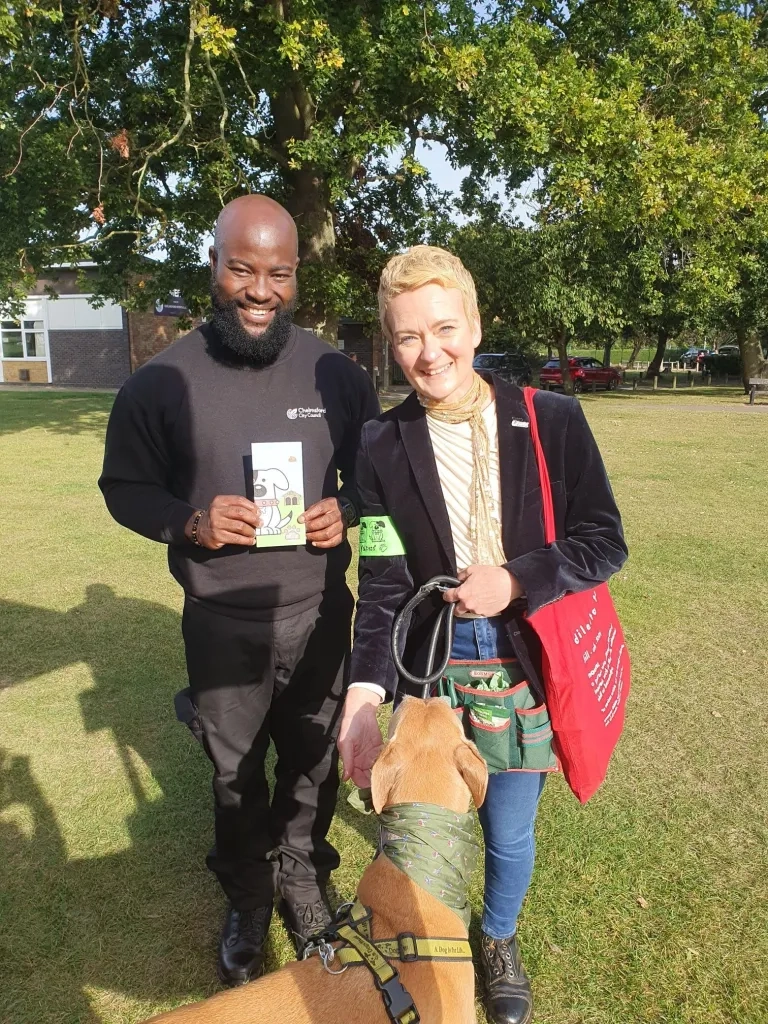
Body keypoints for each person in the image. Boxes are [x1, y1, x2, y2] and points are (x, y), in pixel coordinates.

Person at [337, 246, 627, 1024]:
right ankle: (425, 937)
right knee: (424, 822)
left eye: (444, 328)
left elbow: (605, 541)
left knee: (506, 826)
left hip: (521, 660)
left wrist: (517, 578)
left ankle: (496, 935)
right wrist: (365, 691)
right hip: (431, 665)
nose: (429, 353)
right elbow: (384, 585)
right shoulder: (378, 446)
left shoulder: (552, 420)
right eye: (406, 338)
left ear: (475, 323)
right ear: (389, 344)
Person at [99, 194, 379, 987]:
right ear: (214, 265)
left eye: (279, 274)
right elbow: (124, 489)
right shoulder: (159, 383)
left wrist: (347, 510)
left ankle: (302, 875)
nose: (260, 291)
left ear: (297, 276)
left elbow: (372, 475)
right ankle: (249, 895)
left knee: (313, 757)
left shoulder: (335, 373)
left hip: (322, 609)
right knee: (233, 769)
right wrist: (191, 522)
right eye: (243, 269)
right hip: (220, 618)